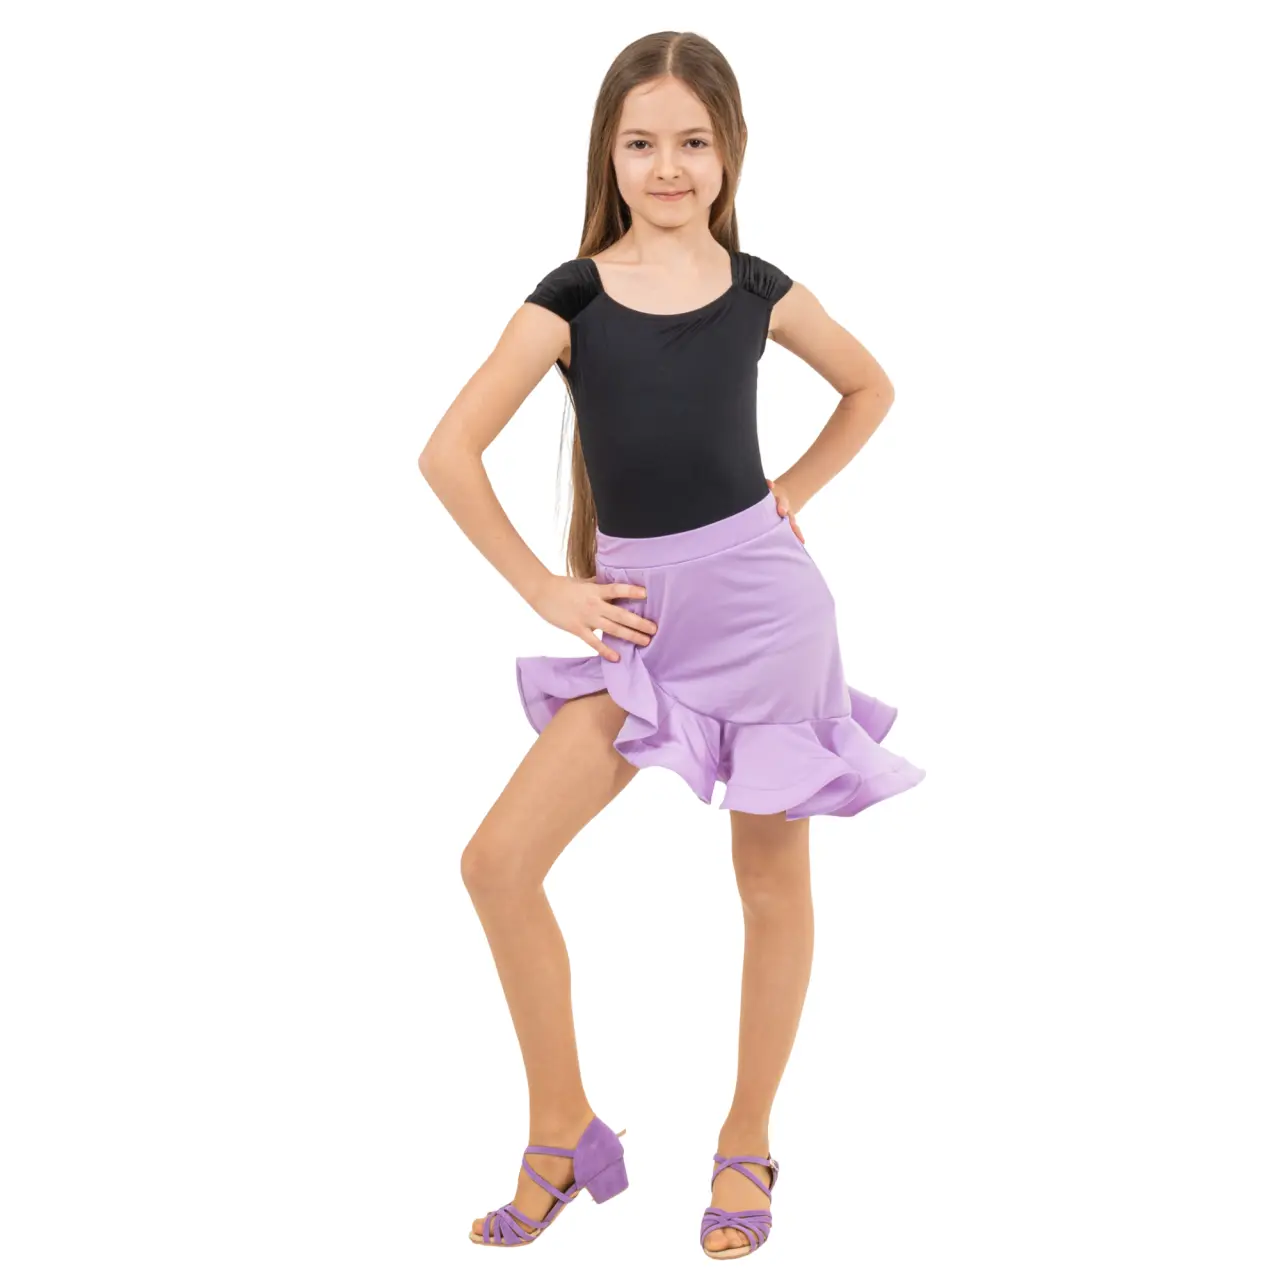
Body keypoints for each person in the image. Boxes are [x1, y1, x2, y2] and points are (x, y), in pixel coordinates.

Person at [420, 30, 926, 1258]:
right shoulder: (571, 296)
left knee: (768, 882)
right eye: (640, 142)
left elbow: (869, 386)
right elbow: (446, 451)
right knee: (496, 861)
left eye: (691, 142)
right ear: (607, 152)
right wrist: (546, 588)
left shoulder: (758, 288)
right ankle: (561, 1128)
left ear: (727, 150)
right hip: (639, 624)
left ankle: (745, 1139)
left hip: (765, 614)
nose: (666, 166)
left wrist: (792, 492)